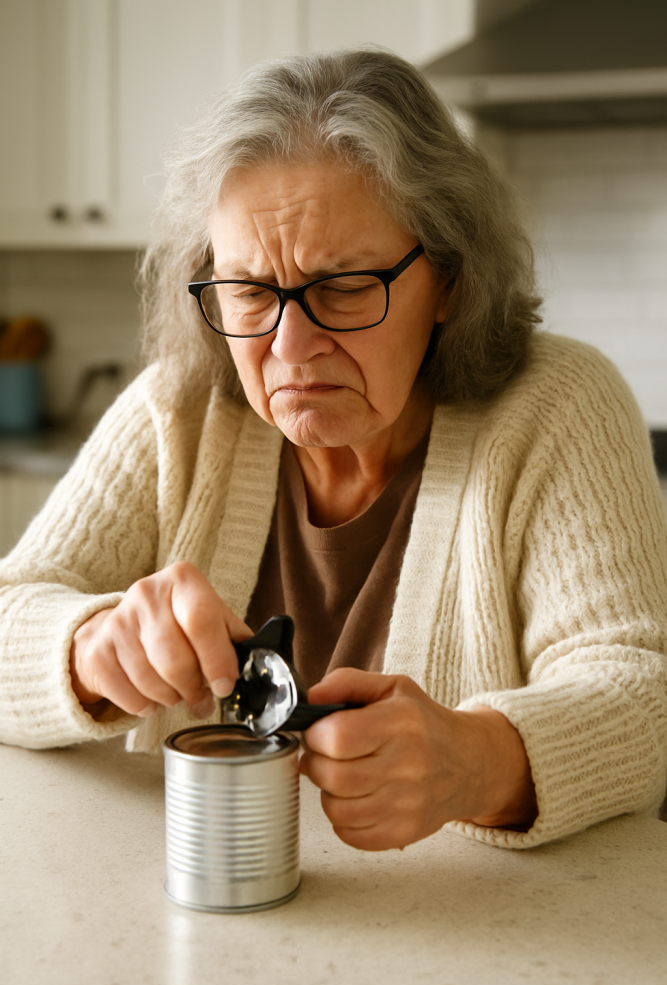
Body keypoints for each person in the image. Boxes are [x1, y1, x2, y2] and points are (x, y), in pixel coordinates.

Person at [1, 49, 666, 852]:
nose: (290, 345)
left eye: (343, 287)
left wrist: (476, 761)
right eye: (249, 290)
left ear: (449, 278)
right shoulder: (176, 411)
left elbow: (640, 694)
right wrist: (91, 650)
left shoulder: (558, 407)